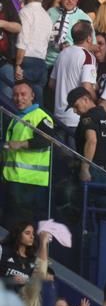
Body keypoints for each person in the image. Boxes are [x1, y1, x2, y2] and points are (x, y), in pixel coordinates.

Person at [2, 80, 55, 229]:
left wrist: (21, 144)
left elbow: (46, 139)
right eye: (15, 95)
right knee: (14, 225)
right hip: (14, 179)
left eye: (23, 94)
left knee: (21, 226)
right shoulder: (17, 118)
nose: (19, 98)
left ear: (33, 95)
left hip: (30, 183)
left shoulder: (40, 116)